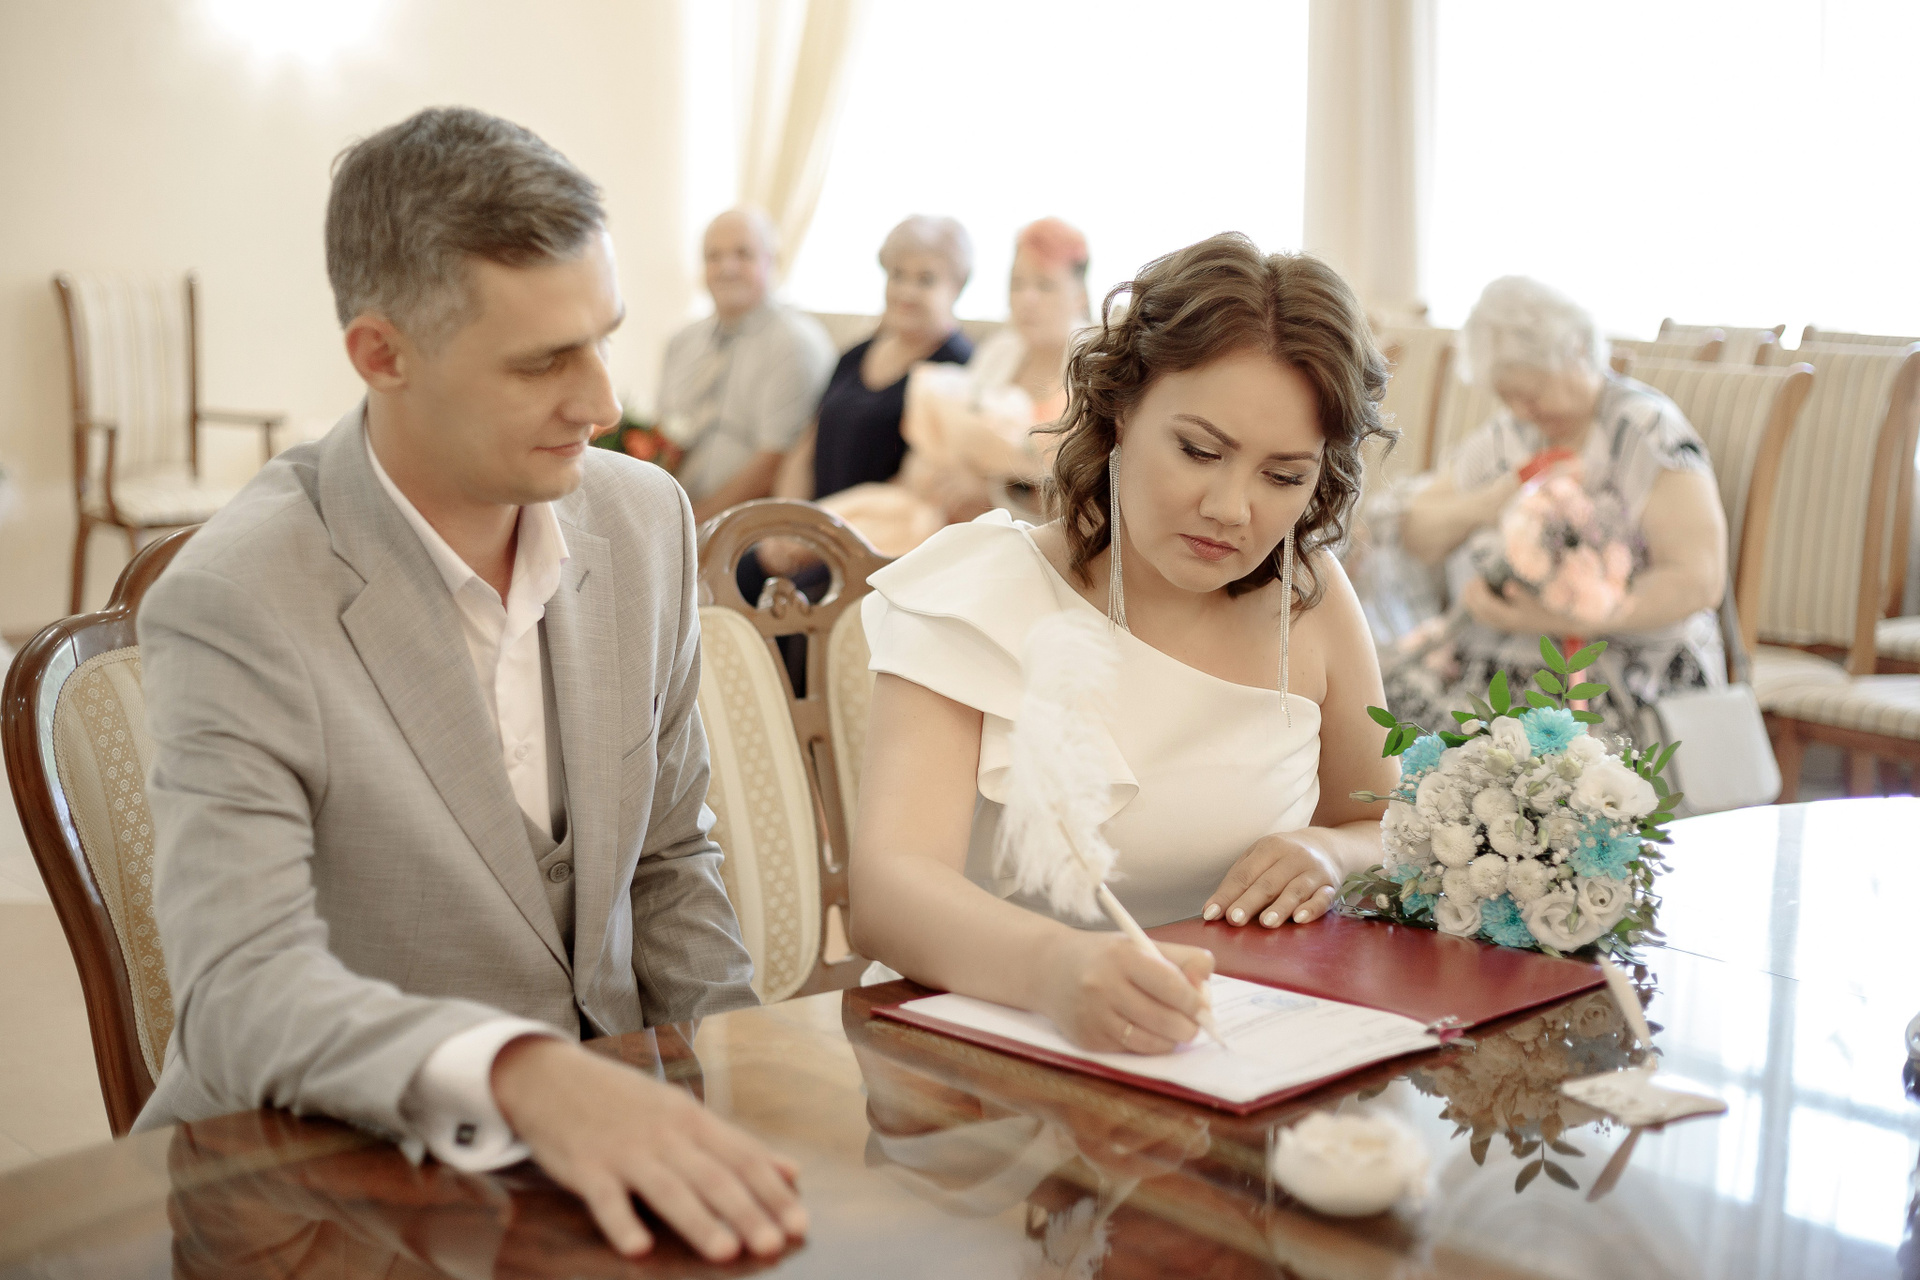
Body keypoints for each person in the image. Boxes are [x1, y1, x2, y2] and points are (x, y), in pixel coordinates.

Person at [133, 108, 806, 1265]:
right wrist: (524, 1074)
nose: (602, 401)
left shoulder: (645, 518)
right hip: (324, 1199)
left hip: (605, 1185)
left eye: (604, 339)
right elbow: (242, 992)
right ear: (381, 354)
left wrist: (736, 1100)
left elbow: (667, 861)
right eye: (543, 360)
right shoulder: (237, 597)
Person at [847, 233, 1400, 1055]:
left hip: (1233, 1053)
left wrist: (1328, 851)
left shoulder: (1309, 598)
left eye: (1284, 476)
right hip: (978, 1061)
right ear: (1119, 411)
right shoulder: (979, 593)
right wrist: (1057, 970)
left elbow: (1383, 823)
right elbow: (889, 892)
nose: (1231, 508)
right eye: (1199, 451)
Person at [1384, 276, 1728, 736]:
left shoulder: (1646, 432)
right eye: (1507, 397)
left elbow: (1699, 580)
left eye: (1533, 392)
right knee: (1383, 719)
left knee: (1485, 753)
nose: (1522, 410)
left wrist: (1561, 618)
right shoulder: (1510, 435)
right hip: (1500, 664)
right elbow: (1417, 531)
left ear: (1578, 351)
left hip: (1627, 670)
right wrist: (1488, 504)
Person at [765, 214, 973, 562]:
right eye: (898, 275)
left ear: (957, 286)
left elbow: (917, 489)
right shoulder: (855, 355)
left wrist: (816, 541)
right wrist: (787, 524)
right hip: (808, 534)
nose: (906, 291)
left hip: (876, 550)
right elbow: (805, 448)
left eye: (925, 279)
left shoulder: (959, 370)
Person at [898, 217, 1093, 525]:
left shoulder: (1094, 368)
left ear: (1079, 294)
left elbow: (1090, 492)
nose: (1027, 299)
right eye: (1017, 284)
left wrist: (995, 493)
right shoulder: (998, 351)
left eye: (1044, 285)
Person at [656, 208, 834, 523]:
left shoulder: (795, 344)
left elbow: (774, 463)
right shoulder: (681, 341)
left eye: (743, 254)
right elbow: (660, 435)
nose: (727, 268)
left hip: (746, 528)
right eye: (714, 256)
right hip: (671, 512)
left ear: (772, 261)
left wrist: (690, 526)